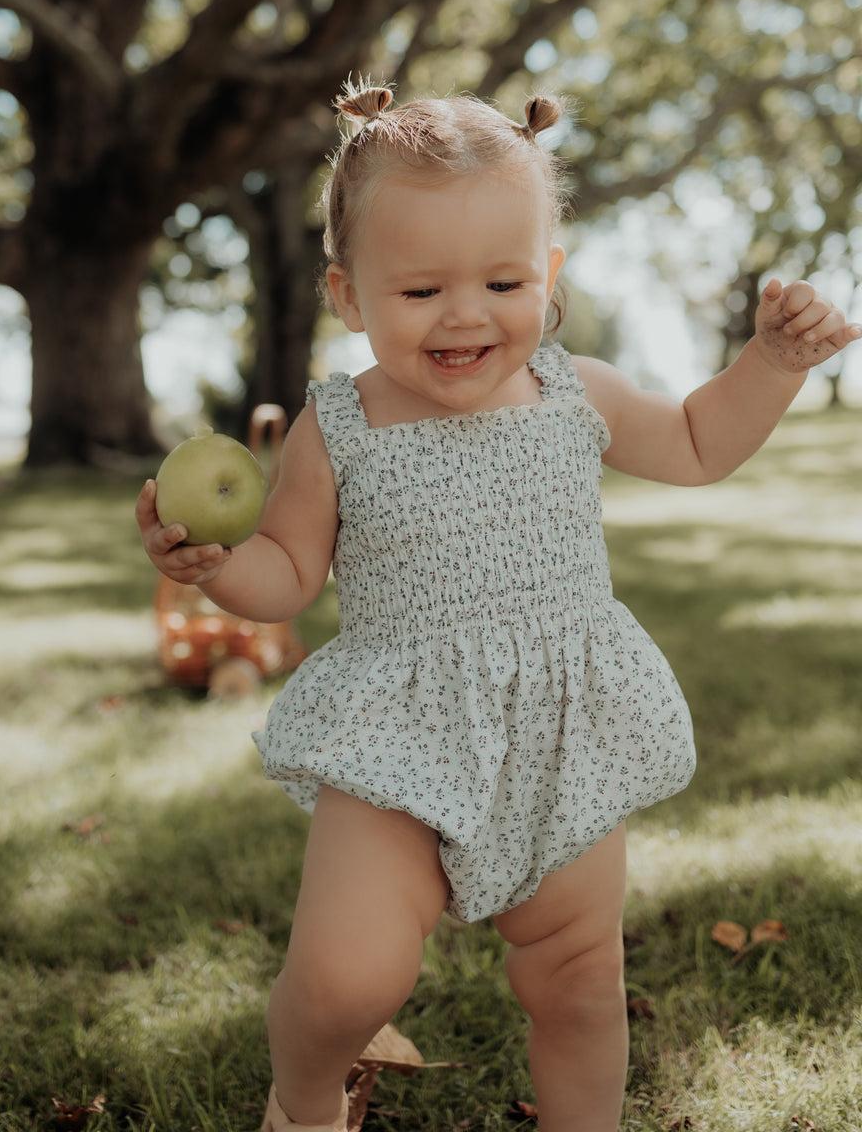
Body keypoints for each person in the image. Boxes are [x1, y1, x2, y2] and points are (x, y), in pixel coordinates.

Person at [136, 81, 861, 1132]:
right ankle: (302, 1102)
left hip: (560, 733)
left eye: (504, 279)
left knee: (575, 980)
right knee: (347, 979)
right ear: (348, 295)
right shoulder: (336, 426)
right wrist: (212, 566)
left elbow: (701, 442)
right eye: (422, 290)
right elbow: (288, 573)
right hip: (400, 743)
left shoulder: (578, 392)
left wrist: (770, 361)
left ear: (549, 274)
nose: (468, 313)